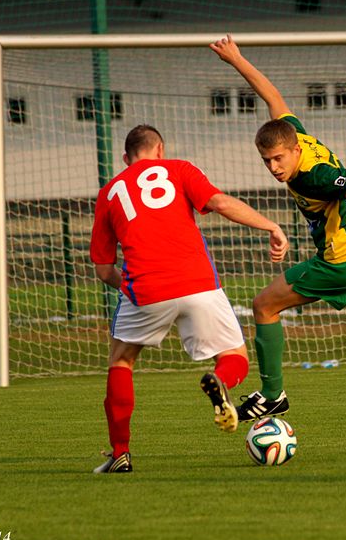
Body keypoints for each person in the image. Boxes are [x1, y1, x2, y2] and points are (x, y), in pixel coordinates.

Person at [210, 34, 346, 455]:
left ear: (293, 151)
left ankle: (273, 394)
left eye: (278, 160)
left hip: (345, 260)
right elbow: (272, 96)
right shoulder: (296, 135)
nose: (274, 168)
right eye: (267, 161)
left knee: (264, 305)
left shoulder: (313, 175)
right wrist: (237, 59)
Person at [89, 124, 289, 473]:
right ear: (160, 150)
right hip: (198, 283)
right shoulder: (179, 169)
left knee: (121, 362)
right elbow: (220, 202)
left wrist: (136, 287)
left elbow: (104, 270)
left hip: (145, 288)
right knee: (234, 356)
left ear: (126, 158)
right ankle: (222, 383)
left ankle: (120, 452)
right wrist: (270, 226)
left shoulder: (109, 193)